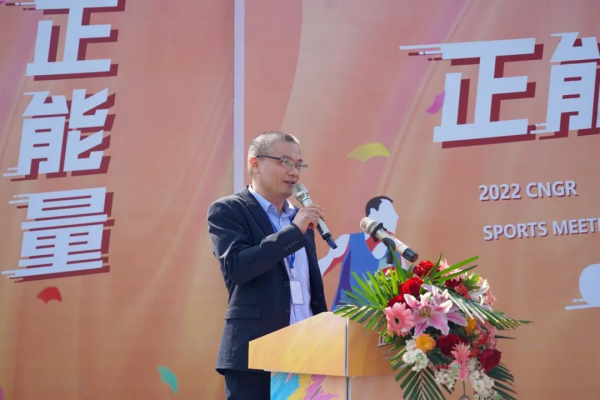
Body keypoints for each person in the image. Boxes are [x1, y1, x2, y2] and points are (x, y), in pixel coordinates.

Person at [207, 131, 328, 400]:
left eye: (299, 164)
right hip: (256, 355)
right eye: (285, 162)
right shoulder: (229, 210)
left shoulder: (300, 218)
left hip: (308, 352)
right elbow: (238, 267)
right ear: (255, 163)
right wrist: (293, 232)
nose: (294, 171)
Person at [318, 196, 405, 308]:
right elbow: (317, 271)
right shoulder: (348, 241)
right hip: (345, 316)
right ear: (373, 213)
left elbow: (405, 292)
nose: (396, 216)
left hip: (378, 317)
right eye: (389, 212)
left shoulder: (397, 252)